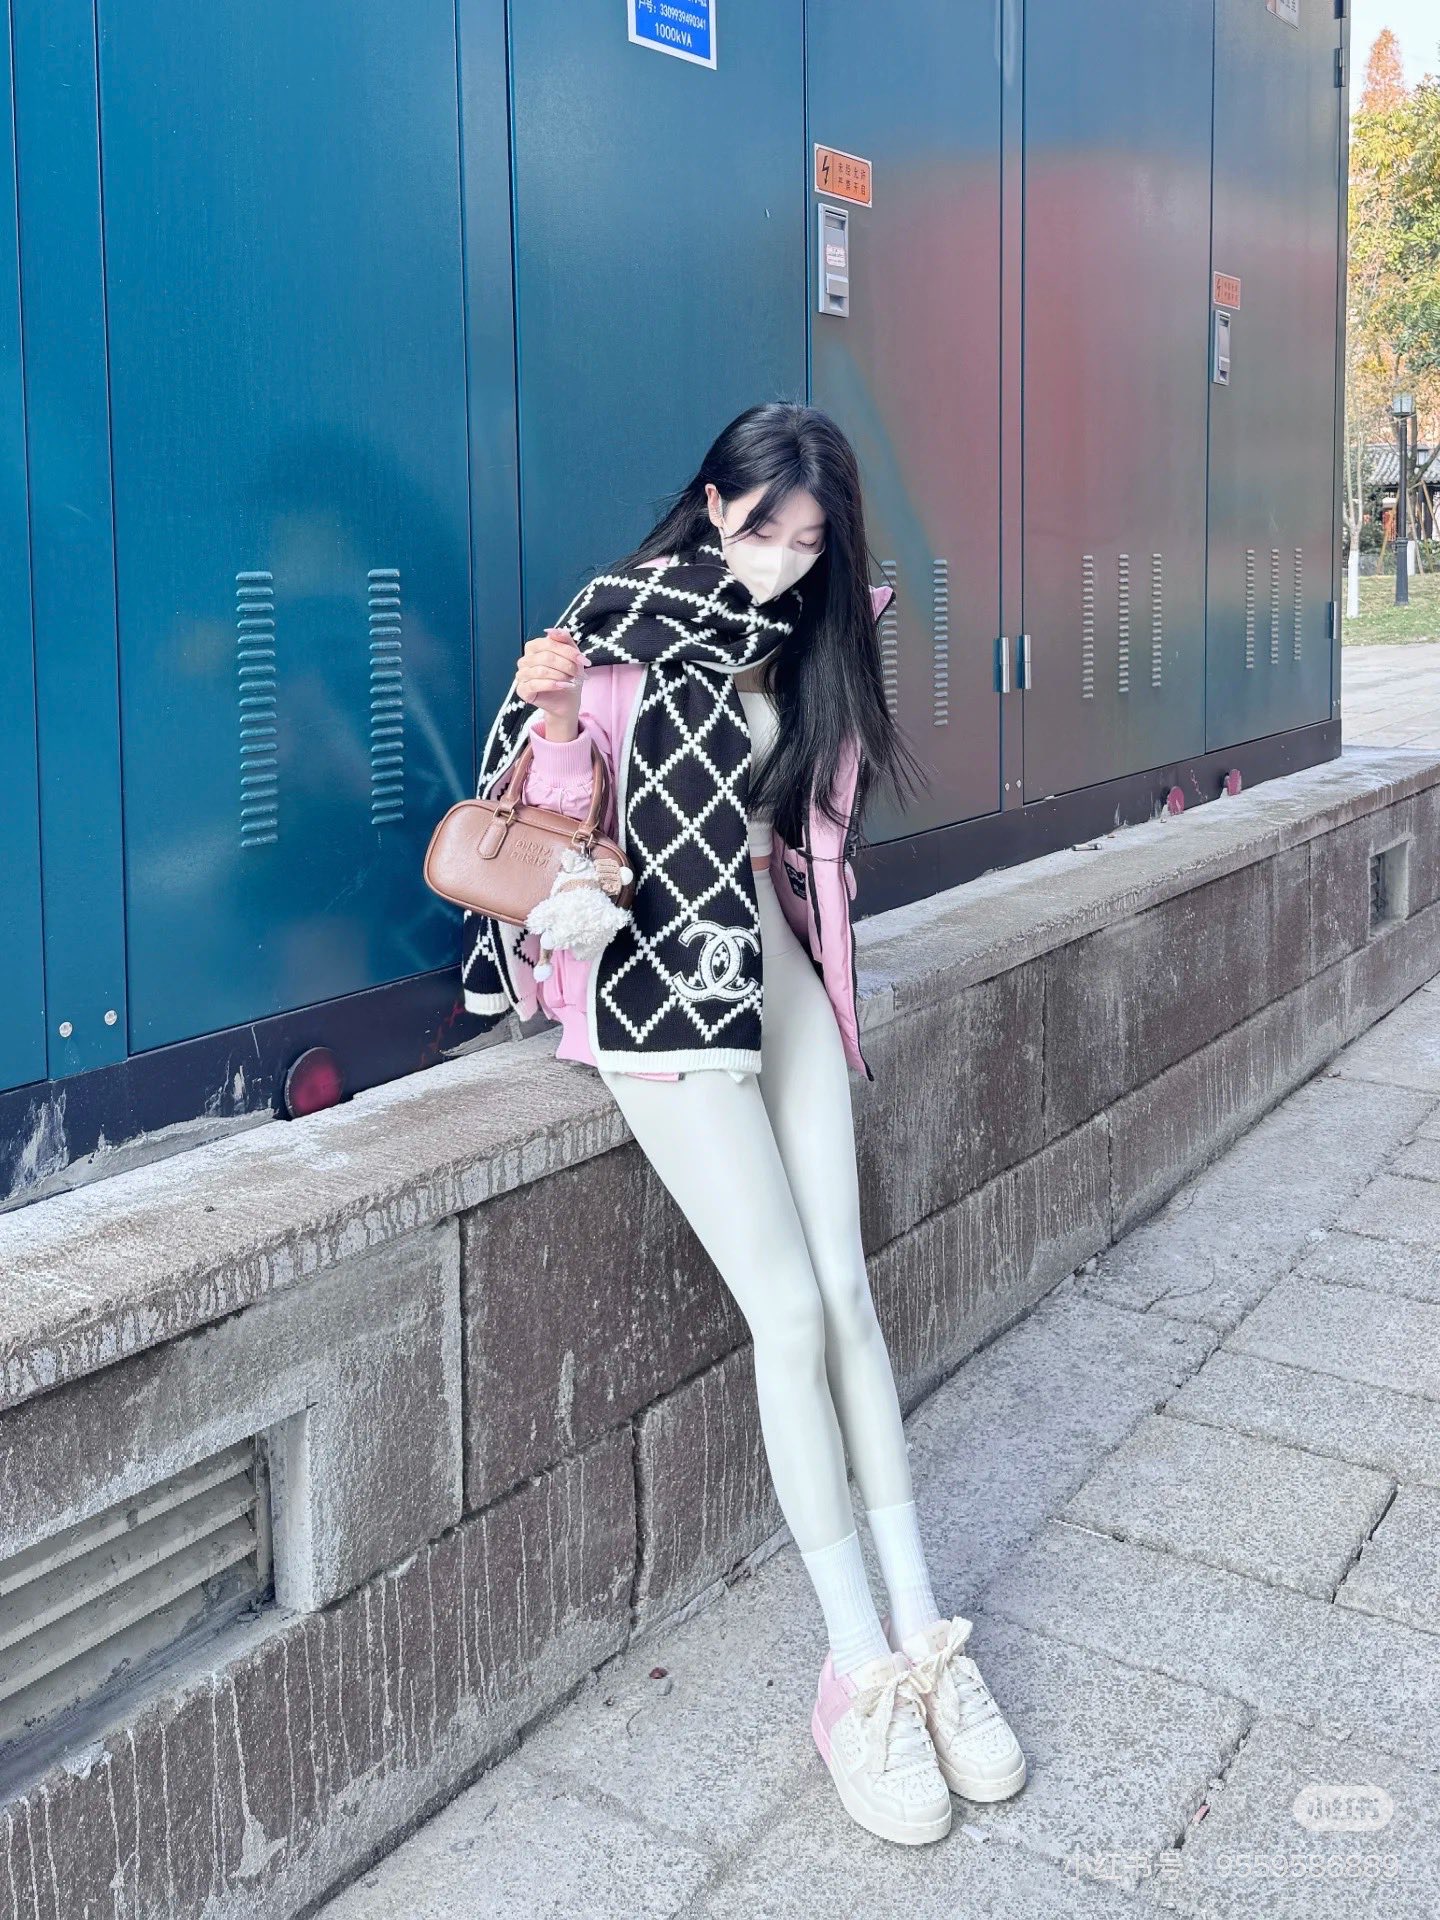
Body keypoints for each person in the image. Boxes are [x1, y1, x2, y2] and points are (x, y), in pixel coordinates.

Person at [467, 403, 1026, 1846]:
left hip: (773, 974)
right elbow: (549, 811)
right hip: (656, 989)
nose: (781, 559)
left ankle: (924, 1638)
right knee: (784, 1312)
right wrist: (553, 712)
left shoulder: (815, 639)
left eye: (810, 539)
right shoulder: (618, 619)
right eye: (763, 527)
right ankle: (855, 1674)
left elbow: (809, 835)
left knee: (847, 1294)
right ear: (713, 504)